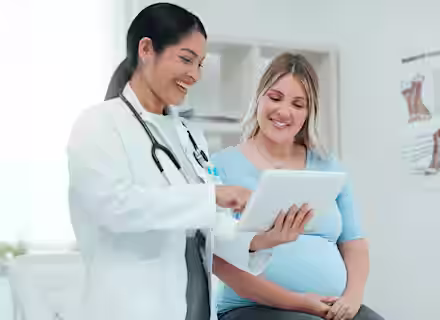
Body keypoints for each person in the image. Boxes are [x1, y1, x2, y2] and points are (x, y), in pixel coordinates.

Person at [67, 4, 305, 320]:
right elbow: (113, 207)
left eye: (200, 64)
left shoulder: (189, 136)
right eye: (185, 59)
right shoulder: (99, 124)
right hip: (129, 309)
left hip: (194, 306)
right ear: (147, 49)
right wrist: (212, 196)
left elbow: (207, 227)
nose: (194, 75)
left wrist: (260, 241)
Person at [211, 53, 384, 320]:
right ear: (259, 97)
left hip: (330, 305)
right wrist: (300, 303)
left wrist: (352, 298)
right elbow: (219, 261)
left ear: (308, 112)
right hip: (253, 308)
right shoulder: (222, 166)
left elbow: (354, 243)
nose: (284, 111)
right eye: (275, 97)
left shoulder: (329, 166)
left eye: (298, 104)